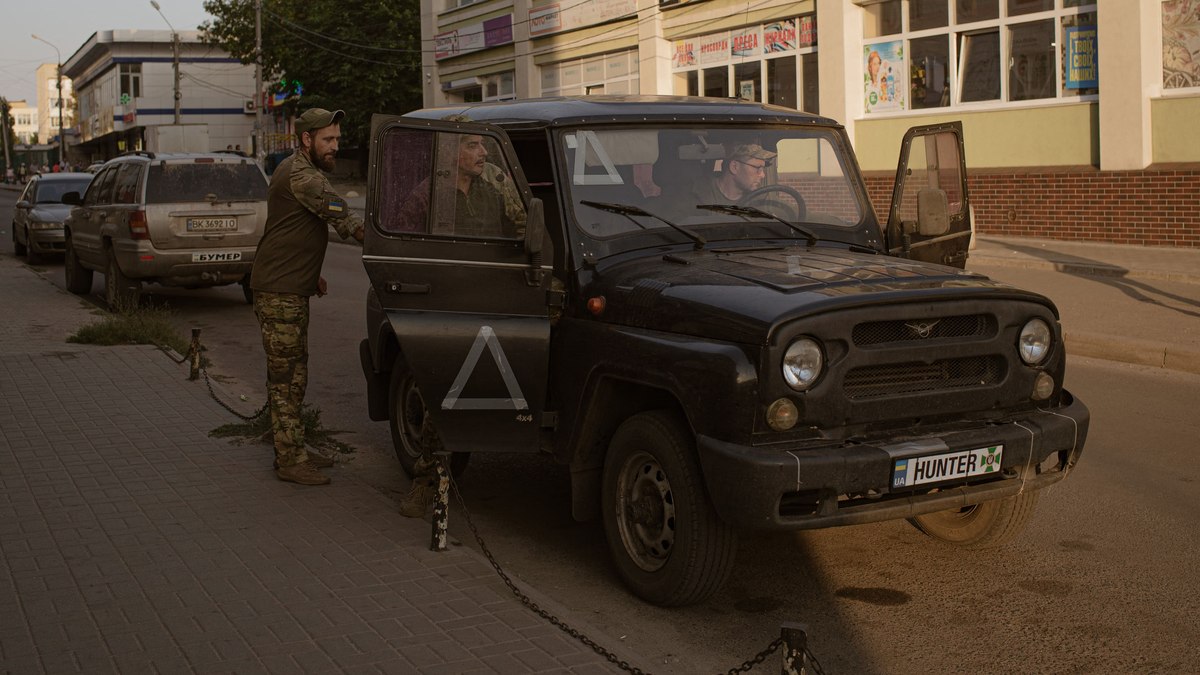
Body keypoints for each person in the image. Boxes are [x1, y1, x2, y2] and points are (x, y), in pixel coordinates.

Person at [250, 107, 365, 486]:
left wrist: (309, 274)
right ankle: (289, 460)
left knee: (295, 374)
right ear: (306, 140)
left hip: (289, 285)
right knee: (286, 378)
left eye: (337, 138)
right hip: (279, 291)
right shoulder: (303, 177)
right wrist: (384, 237)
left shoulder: (300, 169)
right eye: (327, 140)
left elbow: (292, 229)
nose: (335, 146)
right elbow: (346, 220)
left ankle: (292, 444)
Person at [690, 143, 777, 204]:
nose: (762, 175)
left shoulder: (761, 199)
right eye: (758, 168)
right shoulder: (697, 196)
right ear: (734, 167)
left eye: (763, 169)